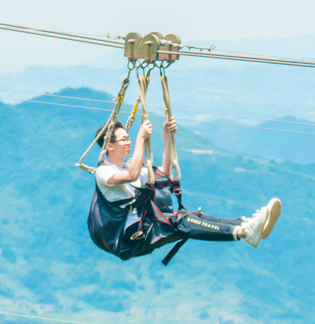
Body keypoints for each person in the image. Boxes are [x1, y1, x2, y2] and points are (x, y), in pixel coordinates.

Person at [88, 112, 279, 262]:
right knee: (180, 220)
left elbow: (164, 172)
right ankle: (245, 233)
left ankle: (245, 224)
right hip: (131, 237)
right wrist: (140, 139)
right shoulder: (103, 173)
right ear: (110, 147)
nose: (128, 142)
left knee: (195, 218)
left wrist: (167, 137)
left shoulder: (130, 166)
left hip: (145, 228)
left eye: (129, 138)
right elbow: (132, 176)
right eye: (124, 140)